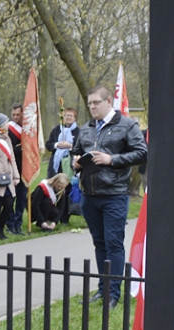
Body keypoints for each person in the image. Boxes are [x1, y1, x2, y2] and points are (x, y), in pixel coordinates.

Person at [72, 85, 148, 307]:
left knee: (113, 243)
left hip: (114, 193)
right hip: (89, 194)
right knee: (99, 243)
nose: (92, 107)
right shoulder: (86, 128)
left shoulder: (127, 125)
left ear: (108, 102)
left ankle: (113, 293)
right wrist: (76, 161)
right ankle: (102, 289)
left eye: (96, 102)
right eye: (90, 103)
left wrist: (111, 159)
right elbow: (76, 151)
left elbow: (142, 152)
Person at [7, 103, 27, 233]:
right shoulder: (9, 129)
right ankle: (10, 223)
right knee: (10, 198)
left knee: (22, 198)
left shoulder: (28, 129)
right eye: (13, 114)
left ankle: (18, 223)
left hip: (25, 169)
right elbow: (8, 149)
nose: (15, 117)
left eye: (18, 114)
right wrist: (20, 148)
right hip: (12, 168)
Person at [45, 106, 78, 176]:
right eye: (67, 115)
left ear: (74, 118)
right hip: (56, 164)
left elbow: (81, 147)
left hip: (71, 163)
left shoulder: (78, 131)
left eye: (71, 116)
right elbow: (48, 144)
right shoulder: (56, 130)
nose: (68, 117)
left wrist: (70, 146)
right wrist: (57, 145)